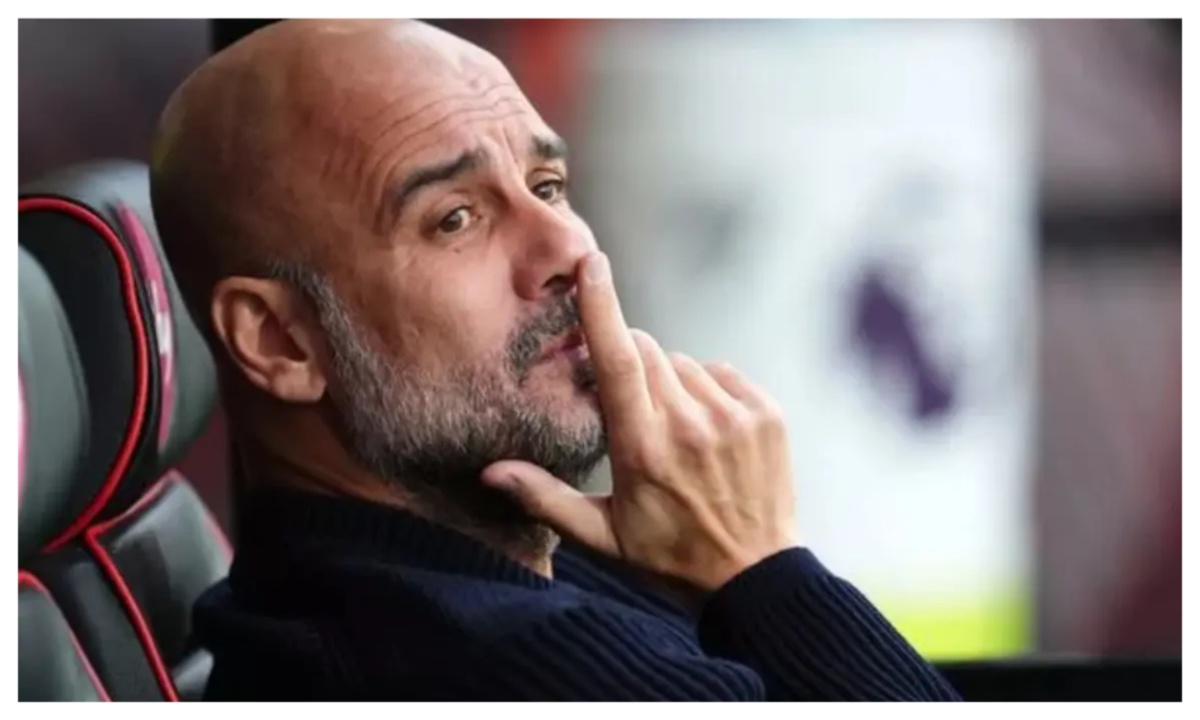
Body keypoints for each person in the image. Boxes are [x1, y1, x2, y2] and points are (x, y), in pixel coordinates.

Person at [151, 19, 961, 701]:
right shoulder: (514, 669)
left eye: (546, 185)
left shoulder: (477, 570)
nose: (571, 248)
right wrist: (762, 569)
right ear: (279, 340)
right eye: (455, 217)